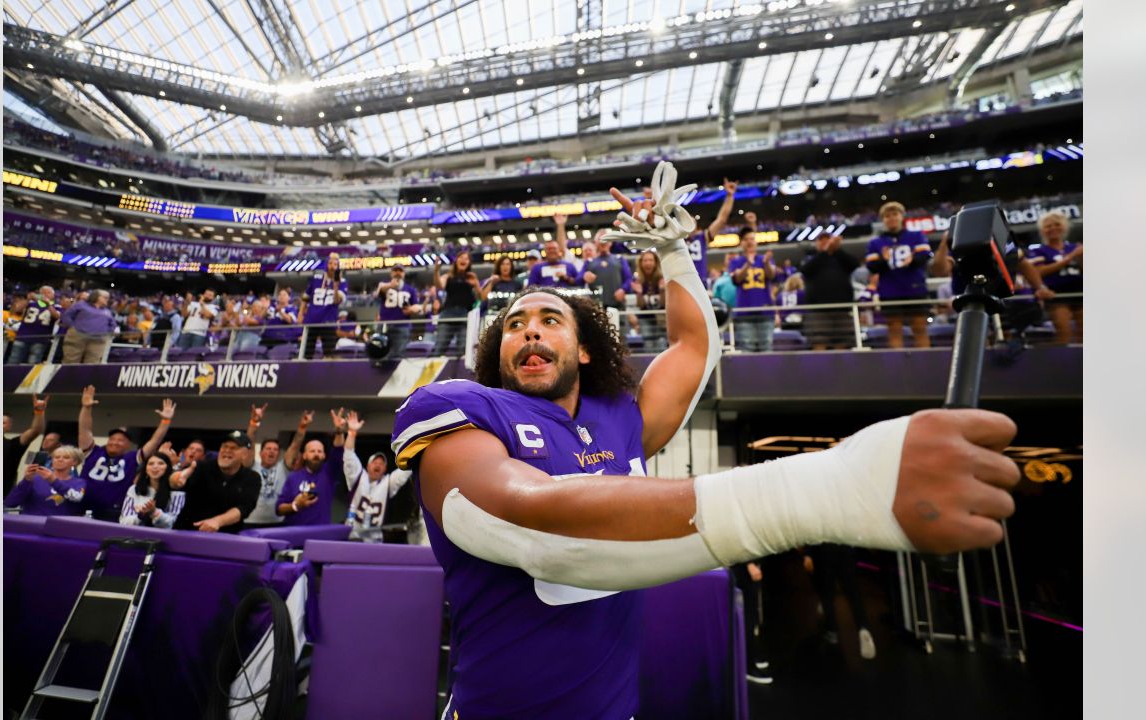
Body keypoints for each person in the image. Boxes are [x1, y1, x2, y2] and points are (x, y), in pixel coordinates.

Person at [389, 163, 1019, 718]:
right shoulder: (457, 407)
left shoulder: (619, 417)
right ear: (494, 354)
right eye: (514, 326)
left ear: (583, 348)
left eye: (549, 319)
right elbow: (536, 531)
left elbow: (694, 346)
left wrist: (673, 252)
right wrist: (834, 486)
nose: (528, 332)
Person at [77, 385, 176, 521]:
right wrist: (86, 408)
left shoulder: (131, 458)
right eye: (112, 439)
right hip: (82, 506)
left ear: (128, 445)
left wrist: (165, 421)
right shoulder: (93, 452)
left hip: (113, 511)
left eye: (121, 440)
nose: (115, 442)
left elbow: (154, 441)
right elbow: (85, 430)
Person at [865, 202, 932, 348]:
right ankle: (898, 366)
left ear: (902, 216)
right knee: (894, 329)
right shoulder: (876, 242)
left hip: (915, 288)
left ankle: (925, 364)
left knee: (920, 328)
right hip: (890, 291)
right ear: (882, 220)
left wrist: (912, 260)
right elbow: (871, 266)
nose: (891, 218)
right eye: (887, 216)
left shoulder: (916, 236)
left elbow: (925, 257)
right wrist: (885, 260)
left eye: (895, 214)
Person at [171, 431, 261, 533]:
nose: (227, 450)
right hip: (187, 533)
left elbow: (244, 508)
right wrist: (176, 479)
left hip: (225, 539)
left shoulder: (252, 478)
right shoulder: (201, 468)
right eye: (224, 446)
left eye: (233, 448)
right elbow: (175, 482)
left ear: (245, 454)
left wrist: (218, 521)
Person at [342, 411, 412, 542]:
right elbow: (349, 456)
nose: (378, 465)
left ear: (385, 469)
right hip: (352, 537)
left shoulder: (388, 483)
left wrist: (415, 448)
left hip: (374, 541)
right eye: (375, 462)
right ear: (368, 466)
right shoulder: (358, 477)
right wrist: (351, 433)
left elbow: (405, 470)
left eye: (381, 463)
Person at [804, 545, 877, 660]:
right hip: (845, 549)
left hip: (824, 551)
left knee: (827, 594)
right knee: (853, 593)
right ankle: (863, 627)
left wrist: (807, 553)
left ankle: (833, 632)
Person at [1026, 211, 1083, 344]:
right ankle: (1061, 363)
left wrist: (1081, 257)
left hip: (1080, 292)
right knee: (1064, 332)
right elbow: (1039, 271)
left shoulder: (1074, 247)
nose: (1053, 228)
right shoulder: (1038, 250)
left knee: (1084, 333)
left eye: (1057, 224)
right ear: (1042, 230)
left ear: (1065, 226)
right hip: (1056, 295)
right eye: (1048, 226)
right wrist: (1070, 257)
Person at [799, 234, 859, 350]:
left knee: (843, 342)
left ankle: (841, 367)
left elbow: (855, 264)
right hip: (818, 310)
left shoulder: (841, 258)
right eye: (821, 240)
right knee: (818, 341)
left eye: (828, 240)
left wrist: (838, 250)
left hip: (842, 308)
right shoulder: (811, 258)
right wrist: (825, 252)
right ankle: (820, 368)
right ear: (816, 243)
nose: (825, 243)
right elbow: (806, 270)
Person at [727, 229, 776, 352]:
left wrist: (766, 263)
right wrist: (748, 263)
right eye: (746, 239)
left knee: (766, 348)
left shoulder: (765, 259)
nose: (749, 242)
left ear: (756, 242)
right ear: (741, 243)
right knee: (747, 349)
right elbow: (737, 279)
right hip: (744, 313)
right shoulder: (736, 261)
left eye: (752, 239)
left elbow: (771, 276)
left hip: (765, 312)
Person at [4, 445, 87, 516]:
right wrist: (26, 480)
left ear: (75, 462)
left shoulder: (79, 483)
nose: (60, 459)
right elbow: (11, 503)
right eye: (56, 457)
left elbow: (76, 498)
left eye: (66, 457)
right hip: (32, 525)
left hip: (61, 528)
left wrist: (53, 481)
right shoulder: (35, 478)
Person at [431, 250, 480, 357]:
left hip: (465, 316)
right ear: (456, 261)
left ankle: (460, 373)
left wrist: (476, 284)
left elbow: (480, 297)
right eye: (461, 257)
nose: (463, 260)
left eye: (466, 258)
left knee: (463, 349)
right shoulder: (448, 276)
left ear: (469, 263)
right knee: (440, 346)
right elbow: (439, 285)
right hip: (448, 315)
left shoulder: (471, 277)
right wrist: (436, 271)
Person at [118, 451, 184, 529]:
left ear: (168, 468)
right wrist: (141, 515)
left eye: (160, 463)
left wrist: (154, 512)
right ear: (146, 469)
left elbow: (173, 523)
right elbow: (124, 522)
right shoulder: (134, 489)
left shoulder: (177, 492)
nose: (155, 467)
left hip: (164, 538)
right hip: (136, 537)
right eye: (151, 464)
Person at [302, 254, 347, 359]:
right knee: (306, 352)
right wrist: (301, 313)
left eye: (335, 264)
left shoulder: (343, 282)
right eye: (331, 263)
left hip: (328, 320)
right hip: (312, 319)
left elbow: (337, 301)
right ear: (327, 265)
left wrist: (335, 286)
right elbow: (305, 297)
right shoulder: (316, 278)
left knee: (329, 353)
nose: (333, 266)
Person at [375, 266, 423, 363]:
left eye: (400, 271)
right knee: (380, 350)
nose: (398, 273)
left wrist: (411, 309)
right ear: (391, 273)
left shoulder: (410, 289)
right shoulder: (384, 285)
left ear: (404, 274)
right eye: (395, 270)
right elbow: (378, 294)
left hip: (402, 326)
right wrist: (390, 285)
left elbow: (417, 307)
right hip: (385, 325)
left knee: (398, 353)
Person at [3, 394, 49, 496]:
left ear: (9, 426)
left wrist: (39, 412)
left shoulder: (12, 445)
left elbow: (35, 431)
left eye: (3, 423)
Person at [60, 289, 118, 363]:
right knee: (70, 361)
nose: (107, 299)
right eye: (105, 297)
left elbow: (113, 324)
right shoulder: (81, 304)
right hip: (78, 336)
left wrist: (105, 333)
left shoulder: (107, 311)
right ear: (96, 297)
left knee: (92, 364)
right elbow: (67, 316)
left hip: (98, 340)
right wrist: (73, 327)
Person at [6, 285, 60, 364]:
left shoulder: (56, 306)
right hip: (23, 336)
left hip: (40, 339)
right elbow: (17, 309)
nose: (45, 295)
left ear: (53, 295)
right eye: (43, 293)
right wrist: (28, 299)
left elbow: (56, 316)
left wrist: (48, 304)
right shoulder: (31, 303)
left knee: (32, 364)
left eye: (48, 293)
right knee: (13, 360)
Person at [581, 230, 634, 311]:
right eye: (600, 239)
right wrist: (584, 277)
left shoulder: (619, 259)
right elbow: (577, 280)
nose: (603, 242)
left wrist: (623, 289)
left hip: (617, 304)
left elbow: (629, 279)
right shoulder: (589, 261)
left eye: (606, 239)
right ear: (595, 243)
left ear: (611, 242)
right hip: (596, 306)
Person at [630, 250, 667, 352]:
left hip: (662, 319)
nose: (648, 263)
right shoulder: (637, 280)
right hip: (645, 319)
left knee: (662, 345)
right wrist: (639, 293)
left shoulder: (662, 278)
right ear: (641, 263)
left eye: (650, 260)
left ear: (655, 263)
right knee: (649, 345)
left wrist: (662, 290)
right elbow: (640, 305)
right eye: (645, 260)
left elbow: (663, 304)